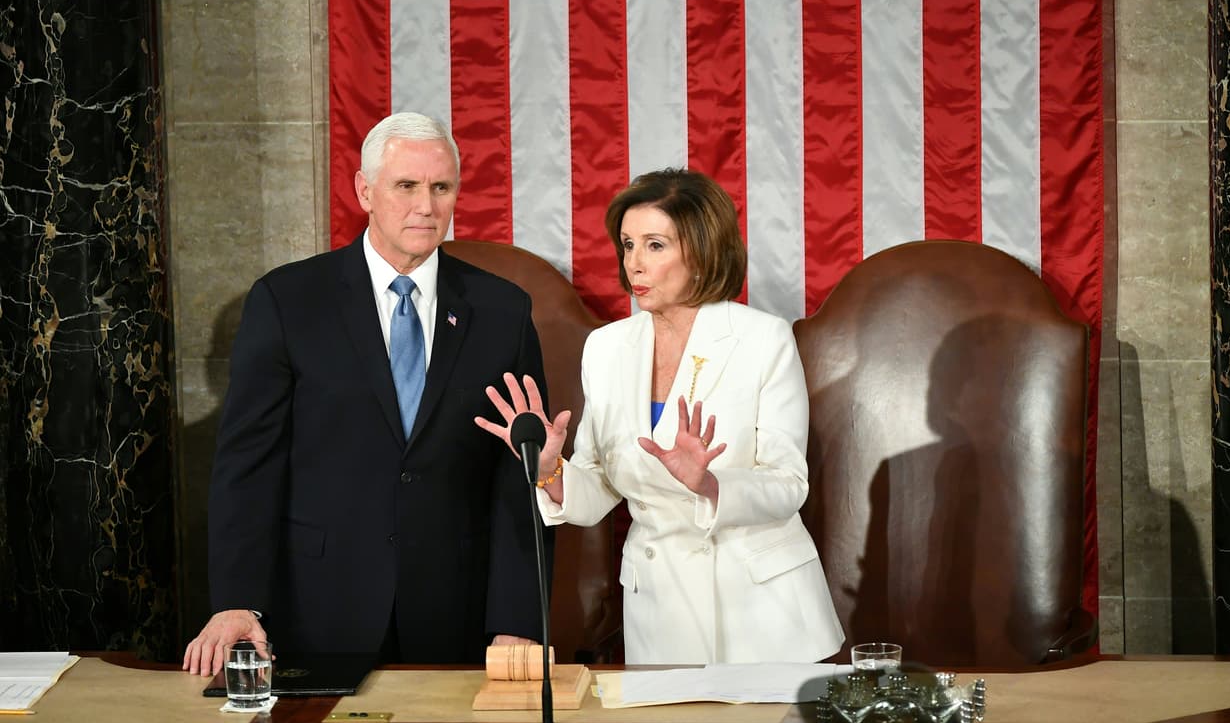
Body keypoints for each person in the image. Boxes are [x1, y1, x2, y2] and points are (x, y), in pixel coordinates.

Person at [183, 113, 549, 676]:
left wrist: (518, 618)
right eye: (406, 185)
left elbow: (519, 476)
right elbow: (248, 467)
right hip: (318, 609)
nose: (425, 206)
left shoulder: (503, 311)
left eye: (440, 187)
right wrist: (236, 600)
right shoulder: (288, 301)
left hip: (457, 613)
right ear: (364, 191)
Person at [478, 168, 843, 664]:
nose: (634, 264)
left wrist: (711, 485)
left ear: (701, 249)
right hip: (660, 612)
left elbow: (788, 483)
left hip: (763, 618)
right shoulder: (607, 347)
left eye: (654, 245)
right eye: (627, 245)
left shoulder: (763, 338)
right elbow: (598, 489)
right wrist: (550, 471)